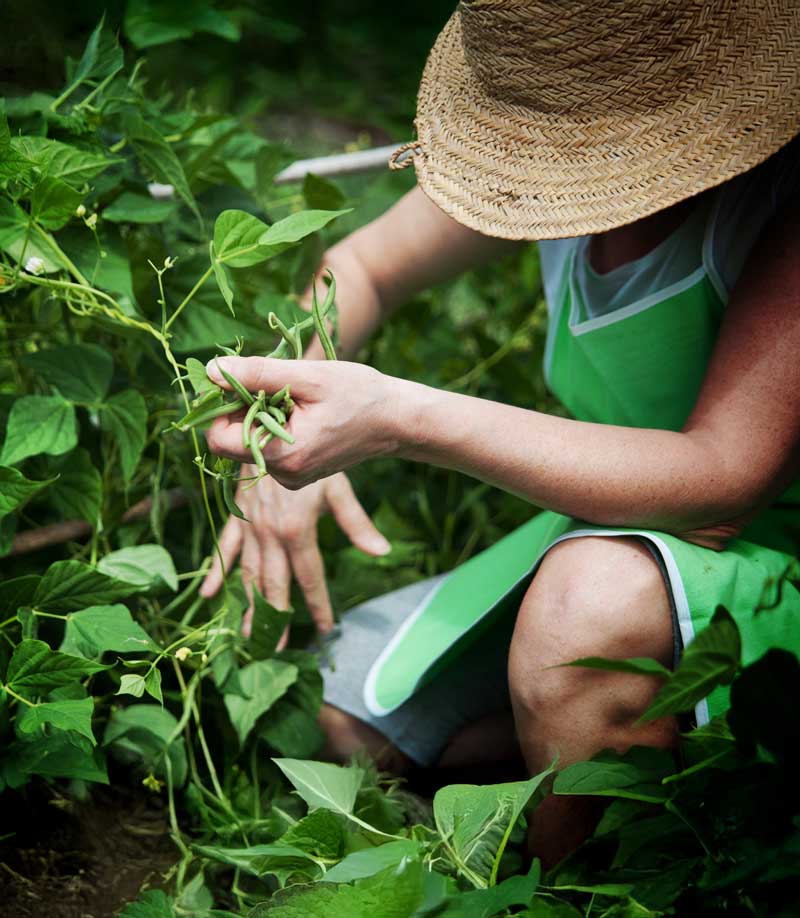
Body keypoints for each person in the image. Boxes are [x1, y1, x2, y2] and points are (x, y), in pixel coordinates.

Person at [201, 0, 800, 866]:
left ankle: (574, 891)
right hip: (611, 524)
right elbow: (361, 266)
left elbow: (723, 484)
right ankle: (608, 755)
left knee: (588, 606)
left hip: (757, 553)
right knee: (341, 711)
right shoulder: (549, 162)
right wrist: (276, 426)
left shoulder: (775, 203)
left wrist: (401, 419)